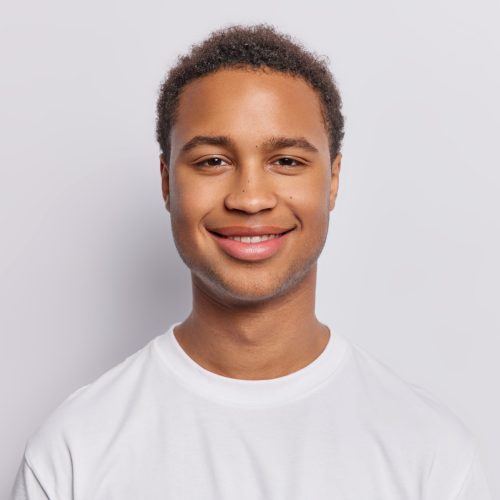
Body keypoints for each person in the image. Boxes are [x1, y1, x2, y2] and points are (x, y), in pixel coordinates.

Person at [11, 23, 492, 500]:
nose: (250, 198)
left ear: (333, 181)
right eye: (212, 162)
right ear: (166, 182)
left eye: (286, 161)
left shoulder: (432, 456)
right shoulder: (74, 451)